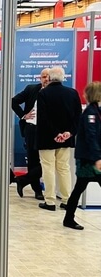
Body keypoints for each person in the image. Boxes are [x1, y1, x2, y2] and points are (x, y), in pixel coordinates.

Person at [36, 66, 81, 211]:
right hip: (66, 139)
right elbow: (77, 116)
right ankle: (67, 199)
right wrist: (68, 133)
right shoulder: (72, 93)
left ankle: (50, 201)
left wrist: (56, 133)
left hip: (47, 138)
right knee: (64, 168)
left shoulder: (44, 94)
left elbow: (43, 118)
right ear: (63, 77)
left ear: (49, 78)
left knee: (48, 168)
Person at [63, 82, 101, 230]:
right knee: (79, 188)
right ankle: (68, 218)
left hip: (90, 158)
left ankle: (68, 218)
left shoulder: (95, 111)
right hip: (88, 160)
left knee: (79, 188)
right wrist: (97, 158)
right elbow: (91, 136)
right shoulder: (91, 113)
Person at [11, 68, 50, 200]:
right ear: (40, 78)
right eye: (43, 77)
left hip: (48, 131)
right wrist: (23, 115)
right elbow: (13, 101)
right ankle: (37, 190)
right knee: (33, 159)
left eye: (48, 77)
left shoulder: (55, 92)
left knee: (47, 161)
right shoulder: (31, 89)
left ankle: (23, 180)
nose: (46, 79)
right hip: (31, 129)